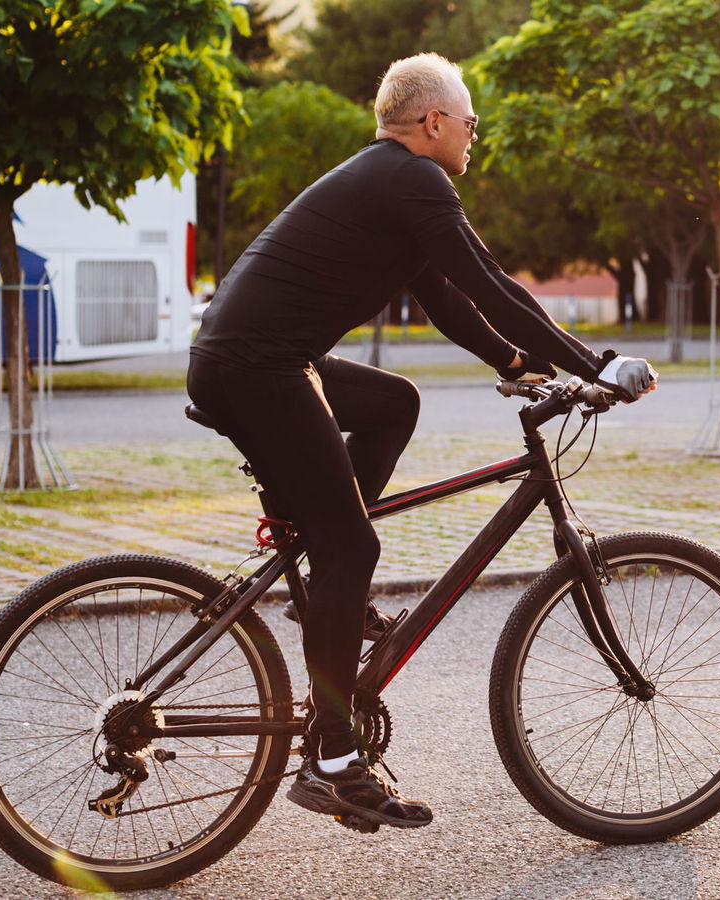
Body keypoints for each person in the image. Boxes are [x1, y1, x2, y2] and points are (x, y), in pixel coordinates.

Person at [187, 52, 657, 831]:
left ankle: (324, 573)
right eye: (470, 122)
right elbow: (491, 282)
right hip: (258, 370)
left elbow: (445, 295)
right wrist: (597, 365)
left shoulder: (387, 187)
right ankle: (332, 757)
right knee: (353, 550)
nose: (476, 136)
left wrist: (515, 366)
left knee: (392, 403)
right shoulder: (413, 179)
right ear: (432, 121)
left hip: (251, 361)